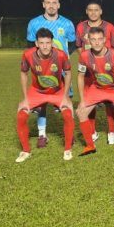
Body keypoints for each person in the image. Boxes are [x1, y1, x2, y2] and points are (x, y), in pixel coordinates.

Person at [15, 28, 74, 163]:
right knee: (21, 115)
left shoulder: (60, 55)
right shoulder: (28, 55)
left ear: (52, 43)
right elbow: (24, 73)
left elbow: (69, 73)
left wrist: (65, 96)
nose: (45, 46)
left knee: (67, 113)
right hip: (37, 91)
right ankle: (25, 151)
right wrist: (25, 98)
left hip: (57, 91)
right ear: (36, 43)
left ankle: (67, 149)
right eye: (42, 43)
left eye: (48, 42)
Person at [26, 0, 76, 149]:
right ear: (43, 5)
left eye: (54, 2)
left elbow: (73, 44)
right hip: (43, 70)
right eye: (48, 2)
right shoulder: (34, 23)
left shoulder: (67, 24)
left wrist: (62, 60)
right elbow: (30, 46)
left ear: (59, 5)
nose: (51, 5)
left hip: (61, 69)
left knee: (66, 100)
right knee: (42, 103)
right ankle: (42, 135)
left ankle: (70, 133)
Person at [76, 26, 114, 156]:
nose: (97, 42)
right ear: (88, 40)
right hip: (98, 87)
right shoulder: (84, 56)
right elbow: (80, 76)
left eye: (100, 39)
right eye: (93, 39)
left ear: (105, 39)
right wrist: (82, 100)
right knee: (80, 112)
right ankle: (90, 146)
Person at [76, 0, 114, 145]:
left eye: (96, 10)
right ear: (86, 12)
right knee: (89, 102)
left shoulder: (110, 27)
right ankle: (92, 132)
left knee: (109, 103)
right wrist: (87, 62)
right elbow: (78, 47)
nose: (93, 12)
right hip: (90, 70)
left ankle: (111, 131)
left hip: (107, 70)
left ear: (101, 11)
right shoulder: (81, 27)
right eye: (90, 10)